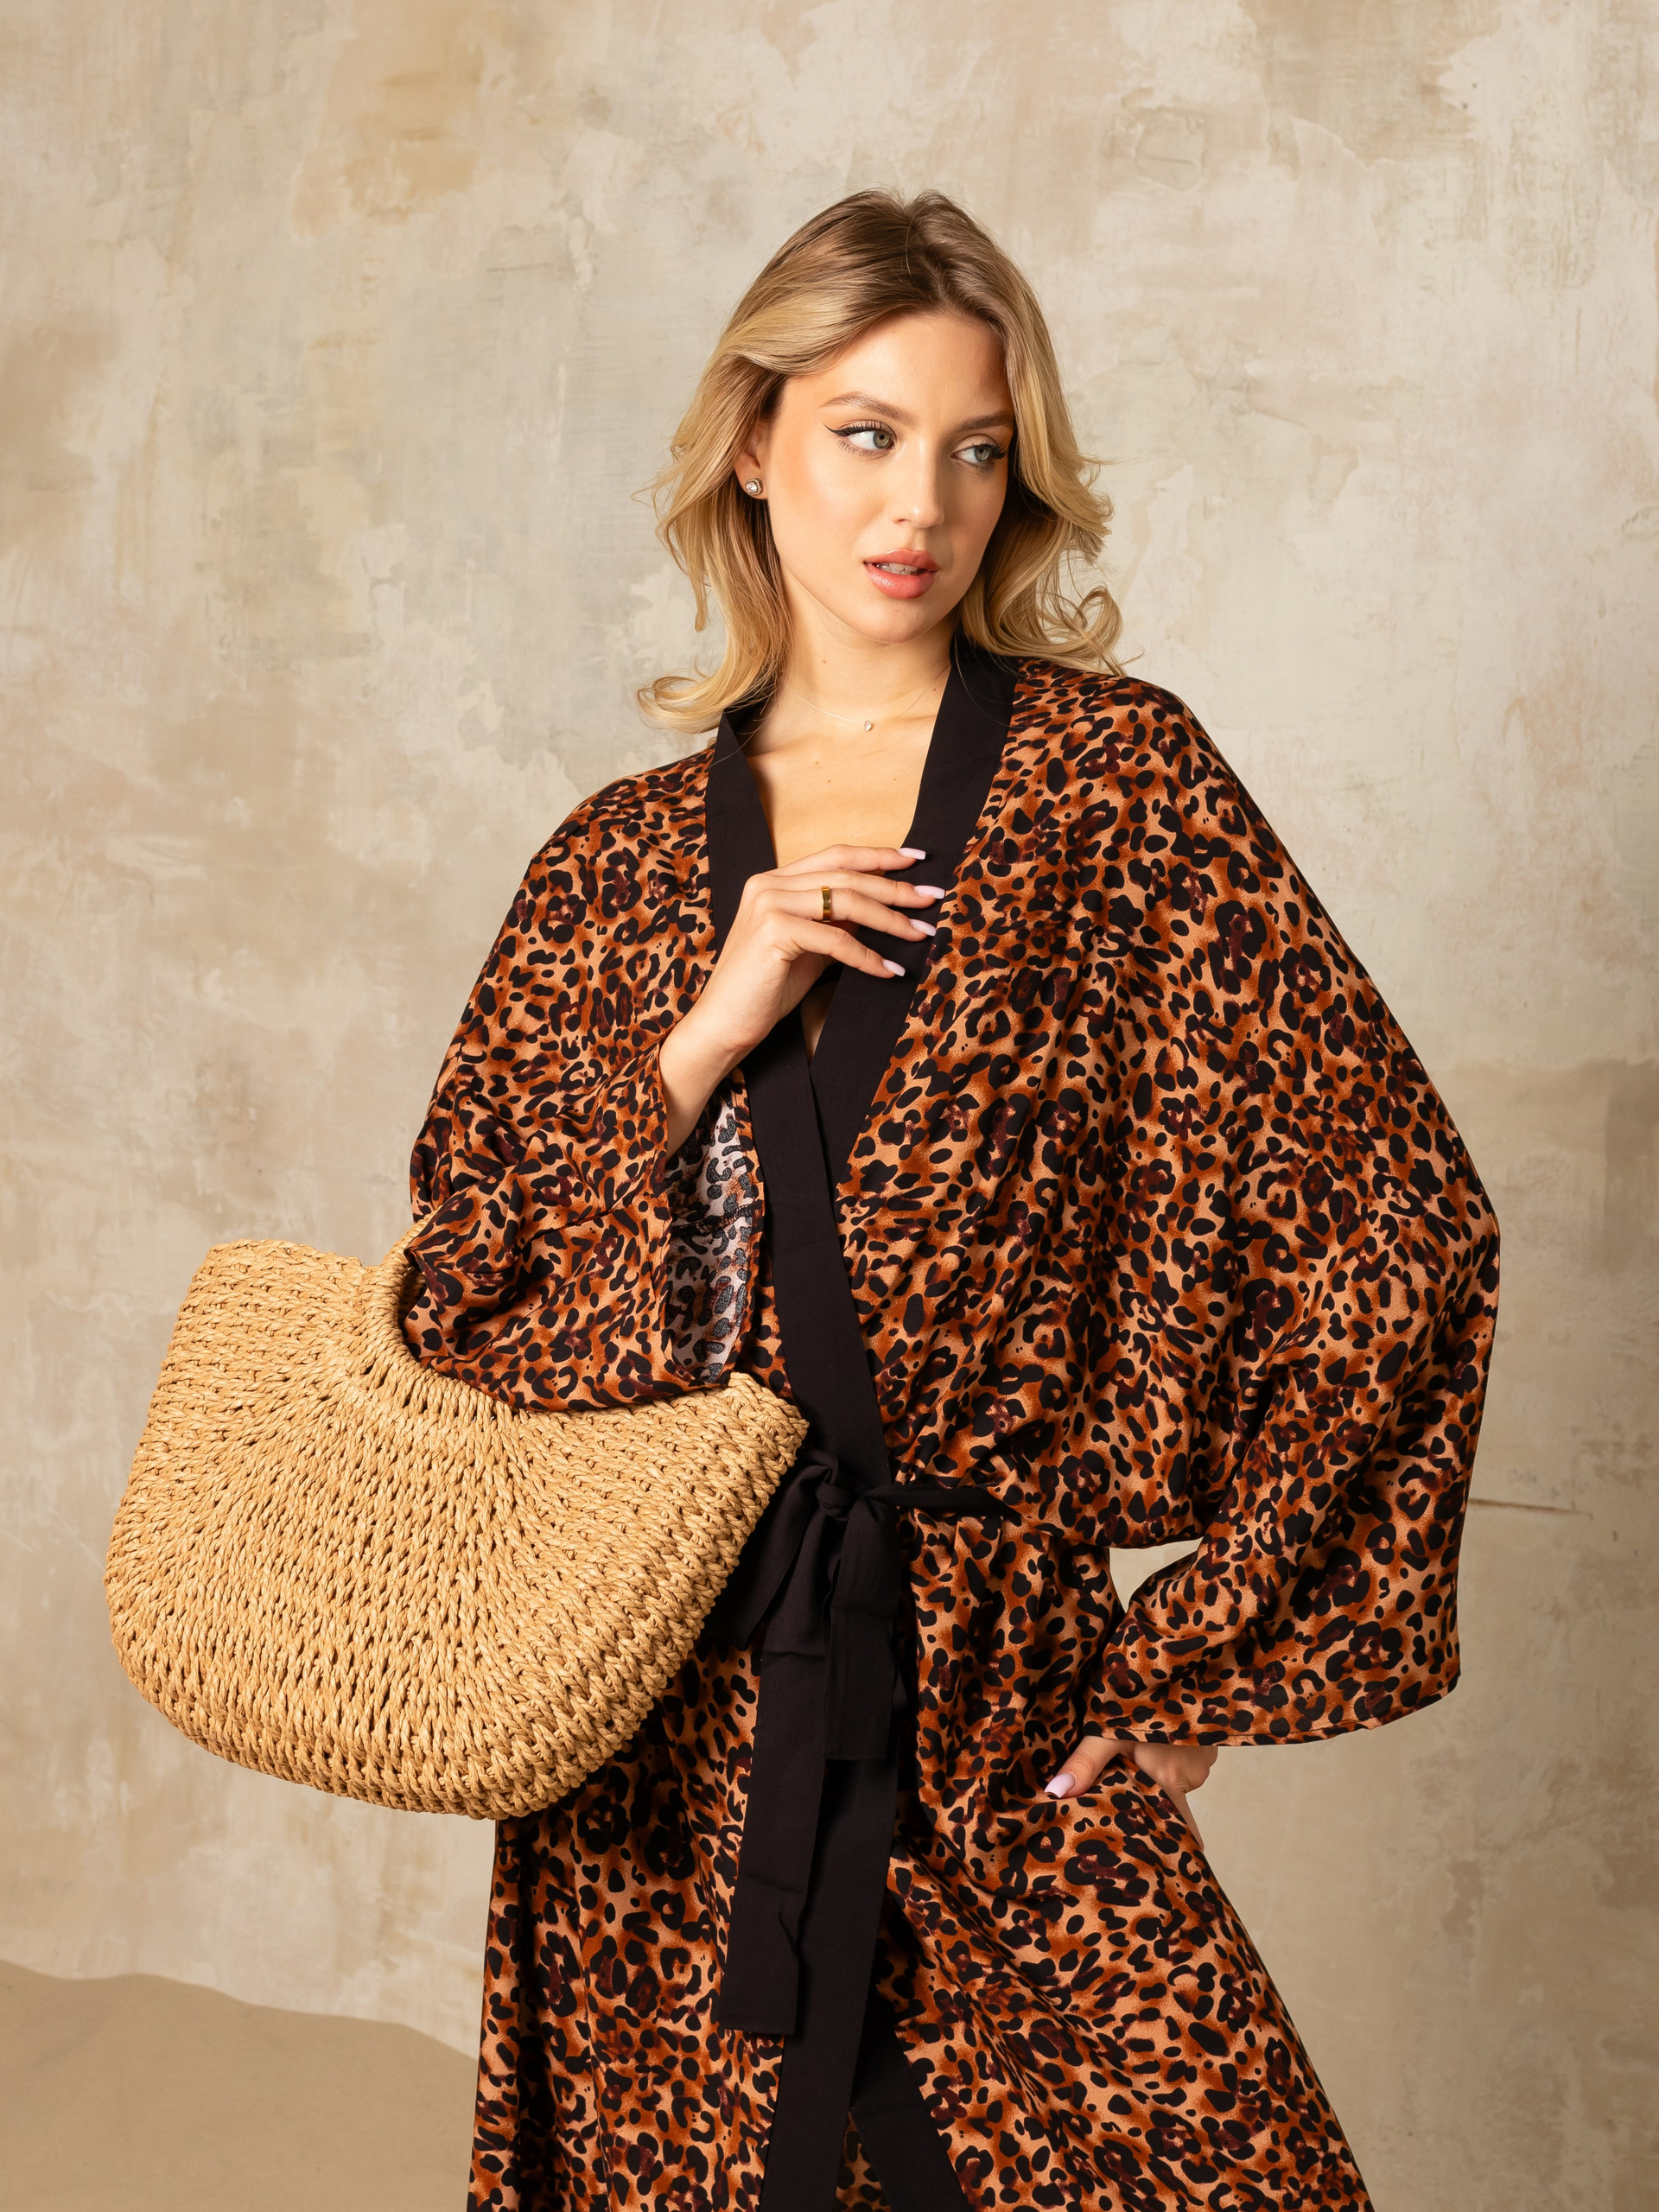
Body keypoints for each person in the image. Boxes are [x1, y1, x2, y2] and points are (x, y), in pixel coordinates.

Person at [403, 190, 1499, 2212]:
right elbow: (468, 1286)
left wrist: (1201, 1668)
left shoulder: (1117, 787)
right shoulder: (614, 865)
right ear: (754, 442)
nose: (924, 504)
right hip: (657, 1732)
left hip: (997, 1703)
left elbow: (1397, 1222)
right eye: (866, 433)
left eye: (977, 449)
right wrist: (707, 1027)